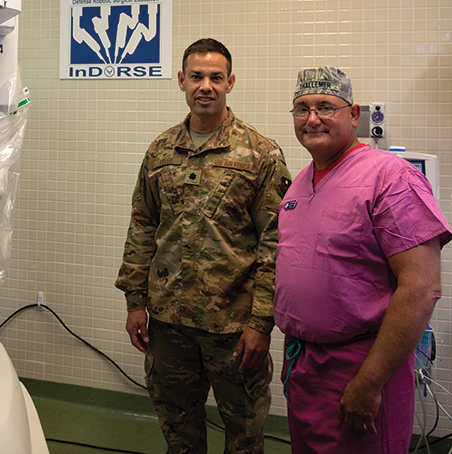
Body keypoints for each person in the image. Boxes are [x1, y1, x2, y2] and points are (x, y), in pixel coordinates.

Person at [115, 38, 293, 454]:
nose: (206, 86)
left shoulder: (260, 153)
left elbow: (276, 243)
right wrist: (134, 302)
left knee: (244, 438)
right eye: (196, 77)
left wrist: (261, 323)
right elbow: (142, 226)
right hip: (168, 324)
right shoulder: (160, 151)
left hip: (233, 329)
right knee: (179, 436)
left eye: (216, 77)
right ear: (181, 81)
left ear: (230, 82)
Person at [274, 66, 450, 454]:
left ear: (354, 115)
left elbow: (421, 288)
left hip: (361, 367)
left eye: (325, 107)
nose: (312, 118)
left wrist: (370, 382)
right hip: (304, 367)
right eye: (301, 109)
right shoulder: (301, 183)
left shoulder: (391, 177)